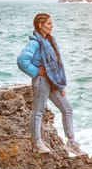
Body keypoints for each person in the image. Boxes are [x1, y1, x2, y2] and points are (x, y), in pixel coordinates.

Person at [17, 13, 86, 156]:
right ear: (40, 25)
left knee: (67, 109)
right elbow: (22, 60)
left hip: (54, 82)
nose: (51, 26)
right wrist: (36, 72)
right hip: (42, 81)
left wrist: (61, 85)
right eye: (48, 23)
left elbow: (56, 65)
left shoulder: (50, 41)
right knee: (38, 112)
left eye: (51, 23)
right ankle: (36, 143)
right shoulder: (35, 42)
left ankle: (72, 143)